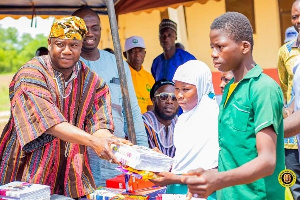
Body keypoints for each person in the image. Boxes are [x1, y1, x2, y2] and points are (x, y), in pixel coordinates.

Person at [0, 16, 123, 199]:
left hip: (69, 171)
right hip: (26, 170)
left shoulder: (92, 81)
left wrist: (109, 141)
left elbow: (99, 124)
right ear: (49, 44)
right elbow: (48, 121)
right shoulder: (31, 73)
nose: (67, 50)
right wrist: (92, 141)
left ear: (81, 46)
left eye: (73, 45)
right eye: (60, 44)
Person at [182, 12, 285, 200]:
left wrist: (218, 179)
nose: (213, 53)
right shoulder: (229, 88)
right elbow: (237, 150)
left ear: (244, 46)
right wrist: (207, 175)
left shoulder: (263, 88)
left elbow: (267, 161)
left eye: (220, 46)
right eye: (212, 47)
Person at [72, 7, 149, 187]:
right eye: (84, 27)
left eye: (95, 27)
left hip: (115, 151)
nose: (90, 33)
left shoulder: (117, 63)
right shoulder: (68, 65)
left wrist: (143, 151)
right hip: (79, 154)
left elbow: (133, 110)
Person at [151, 60, 219, 200]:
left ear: (201, 87)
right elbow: (184, 161)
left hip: (200, 193)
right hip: (177, 189)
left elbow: (209, 169)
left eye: (186, 89)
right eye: (177, 88)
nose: (179, 95)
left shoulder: (210, 117)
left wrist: (174, 178)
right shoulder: (183, 119)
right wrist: (162, 160)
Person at [277, 1, 300, 198]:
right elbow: (287, 88)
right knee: (293, 186)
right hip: (292, 137)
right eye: (294, 16)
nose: (298, 20)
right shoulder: (285, 52)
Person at [142, 79, 179, 158]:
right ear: (154, 100)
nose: (169, 101)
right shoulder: (143, 123)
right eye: (163, 97)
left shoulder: (180, 124)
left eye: (174, 98)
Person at [123, 36, 155, 113]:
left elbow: (150, 105)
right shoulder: (120, 74)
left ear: (144, 53)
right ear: (125, 54)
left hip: (143, 121)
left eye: (140, 51)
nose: (137, 55)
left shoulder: (149, 78)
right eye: (133, 51)